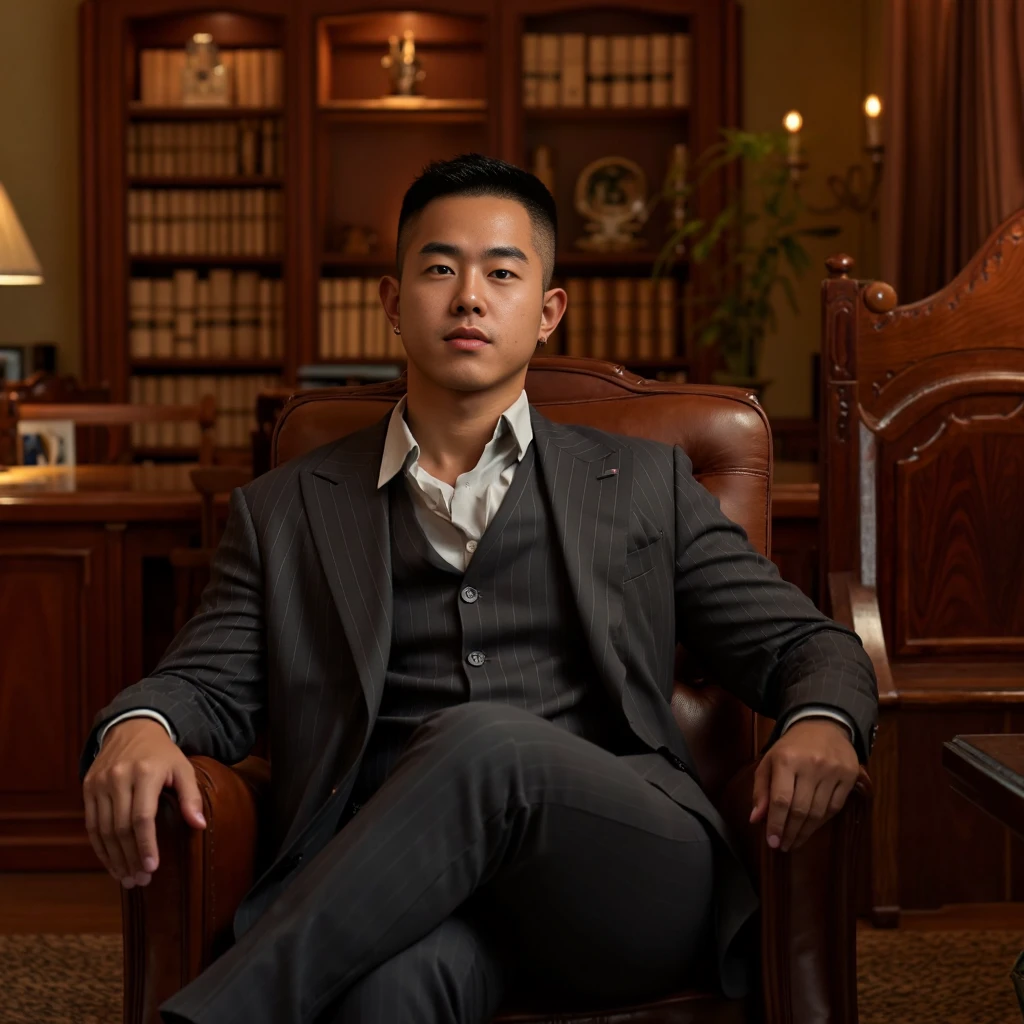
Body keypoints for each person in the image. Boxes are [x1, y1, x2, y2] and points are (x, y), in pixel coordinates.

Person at [80, 154, 877, 1024]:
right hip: (406, 897)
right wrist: (139, 729)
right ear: (391, 303)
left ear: (546, 312)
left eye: (502, 272)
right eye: (438, 268)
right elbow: (202, 683)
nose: (469, 296)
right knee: (383, 998)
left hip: (622, 886)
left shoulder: (645, 483)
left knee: (487, 743)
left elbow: (808, 645)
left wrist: (822, 721)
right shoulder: (286, 513)